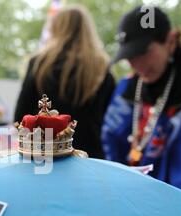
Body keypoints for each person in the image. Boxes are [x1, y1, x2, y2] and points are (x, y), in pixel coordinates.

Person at [102, 6, 181, 207]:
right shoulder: (131, 86)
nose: (137, 64)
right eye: (130, 55)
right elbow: (112, 142)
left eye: (143, 52)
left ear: (171, 41)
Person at [14, 5, 115, 159]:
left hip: (46, 158)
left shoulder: (39, 64)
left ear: (56, 29)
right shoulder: (101, 68)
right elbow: (112, 123)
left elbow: (20, 116)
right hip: (90, 159)